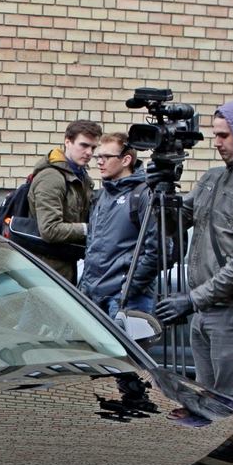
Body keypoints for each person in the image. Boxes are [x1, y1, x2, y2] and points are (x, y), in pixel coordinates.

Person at [153, 100, 233, 404]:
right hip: (204, 310)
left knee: (230, 406)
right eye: (215, 135)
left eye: (224, 135)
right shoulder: (212, 178)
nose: (217, 143)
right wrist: (160, 193)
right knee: (204, 401)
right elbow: (175, 223)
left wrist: (193, 300)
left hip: (231, 314)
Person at [78, 133, 160, 317]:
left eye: (106, 157)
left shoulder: (144, 195)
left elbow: (157, 249)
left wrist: (129, 287)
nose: (99, 162)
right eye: (98, 157)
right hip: (94, 298)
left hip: (125, 300)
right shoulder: (102, 196)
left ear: (126, 160)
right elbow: (93, 246)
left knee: (128, 347)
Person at [29, 119, 101, 283]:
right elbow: (50, 229)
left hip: (63, 264)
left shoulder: (80, 176)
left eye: (93, 147)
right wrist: (89, 229)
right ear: (67, 142)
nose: (89, 152)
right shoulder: (52, 177)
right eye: (83, 145)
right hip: (45, 269)